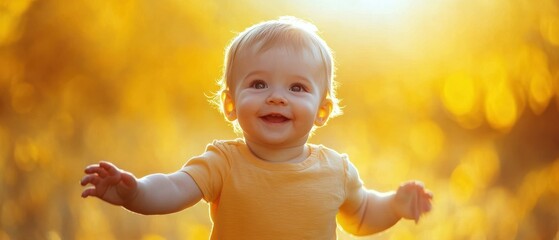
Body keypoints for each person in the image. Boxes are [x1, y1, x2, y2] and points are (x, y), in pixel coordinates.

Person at [80, 16, 433, 239]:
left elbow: (363, 216)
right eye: (259, 84)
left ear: (322, 110)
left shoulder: (336, 170)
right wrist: (135, 192)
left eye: (296, 88)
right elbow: (173, 187)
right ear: (230, 104)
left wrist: (395, 205)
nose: (276, 98)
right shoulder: (223, 162)